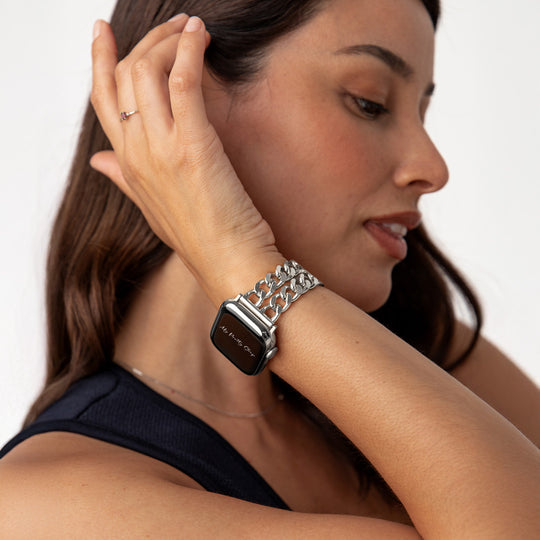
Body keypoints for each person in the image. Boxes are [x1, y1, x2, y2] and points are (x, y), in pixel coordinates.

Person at [0, 0, 538, 537]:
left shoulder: (431, 352)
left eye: (422, 112)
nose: (432, 168)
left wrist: (245, 273)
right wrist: (243, 264)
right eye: (370, 103)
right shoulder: (44, 508)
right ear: (178, 94)